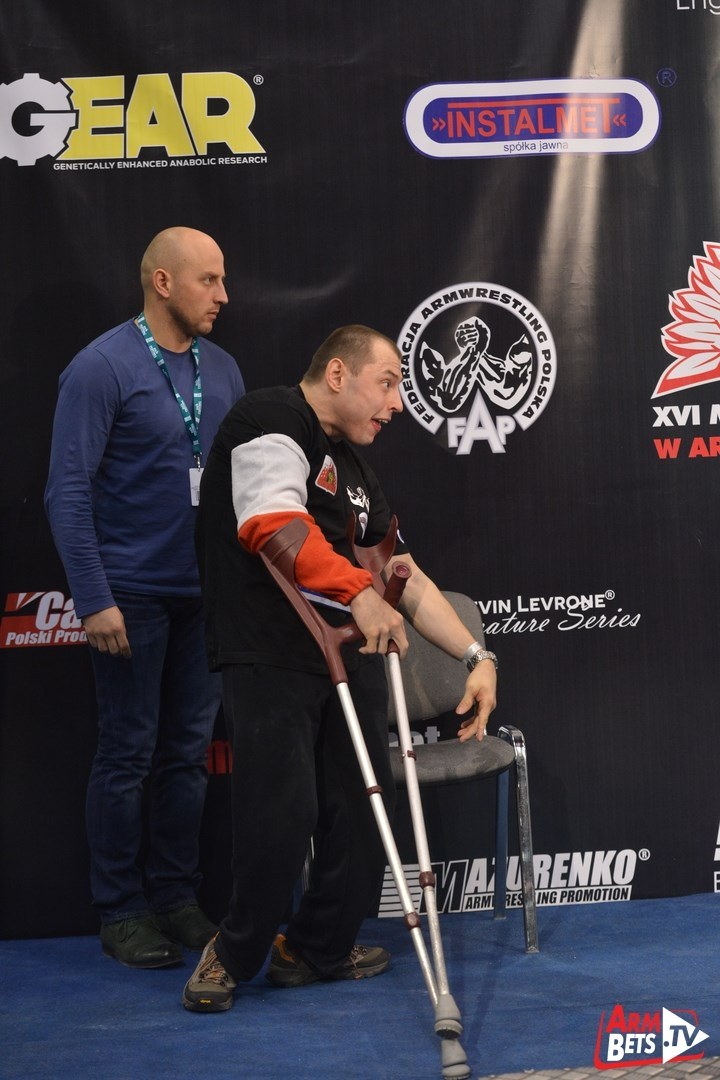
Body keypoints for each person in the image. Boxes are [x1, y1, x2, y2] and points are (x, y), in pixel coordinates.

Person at [184, 324, 497, 1011]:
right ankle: (233, 952)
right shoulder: (271, 418)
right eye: (386, 383)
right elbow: (271, 522)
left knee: (362, 806)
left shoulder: (356, 470)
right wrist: (359, 593)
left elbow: (402, 576)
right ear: (336, 374)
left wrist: (476, 656)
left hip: (348, 655)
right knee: (282, 810)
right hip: (270, 651)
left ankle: (317, 947)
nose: (398, 403)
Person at [45, 227, 245, 968]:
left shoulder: (223, 369)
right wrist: (93, 598)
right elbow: (66, 493)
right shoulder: (100, 368)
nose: (224, 296)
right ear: (163, 282)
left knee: (188, 755)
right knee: (128, 753)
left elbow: (240, 486)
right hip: (129, 598)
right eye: (209, 281)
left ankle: (175, 897)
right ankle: (121, 909)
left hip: (206, 597)